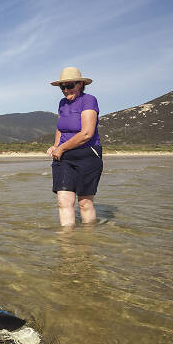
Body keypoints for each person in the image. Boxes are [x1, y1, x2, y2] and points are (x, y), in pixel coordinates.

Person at [46, 67, 103, 226]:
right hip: (64, 157)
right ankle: (67, 244)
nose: (65, 90)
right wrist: (56, 145)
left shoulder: (89, 100)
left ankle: (87, 240)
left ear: (80, 84)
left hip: (87, 154)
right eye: (62, 87)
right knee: (63, 202)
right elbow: (60, 127)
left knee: (84, 203)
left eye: (69, 85)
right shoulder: (62, 103)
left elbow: (86, 134)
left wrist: (62, 148)